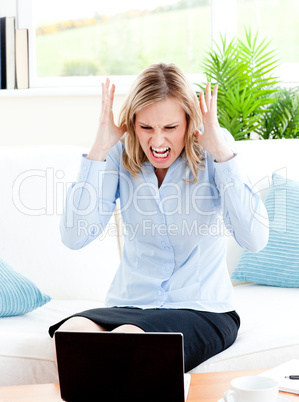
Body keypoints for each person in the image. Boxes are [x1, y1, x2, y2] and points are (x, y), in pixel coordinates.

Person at [49, 63, 268, 372]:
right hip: (128, 303)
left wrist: (220, 151)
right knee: (70, 337)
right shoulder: (118, 151)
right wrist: (99, 148)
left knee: (128, 340)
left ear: (190, 123)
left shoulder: (213, 151)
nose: (158, 142)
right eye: (146, 128)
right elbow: (75, 236)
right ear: (132, 123)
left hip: (202, 308)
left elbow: (255, 239)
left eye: (170, 128)